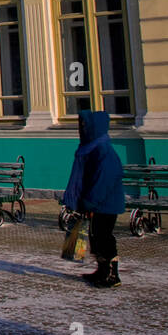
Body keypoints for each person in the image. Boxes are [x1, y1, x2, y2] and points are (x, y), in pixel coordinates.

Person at [62, 110, 125, 288]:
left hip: (104, 204)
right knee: (95, 238)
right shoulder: (90, 148)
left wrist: (90, 203)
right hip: (95, 203)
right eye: (80, 125)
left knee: (104, 238)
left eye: (84, 125)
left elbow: (103, 180)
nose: (82, 128)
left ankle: (112, 275)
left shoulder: (102, 150)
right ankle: (102, 270)